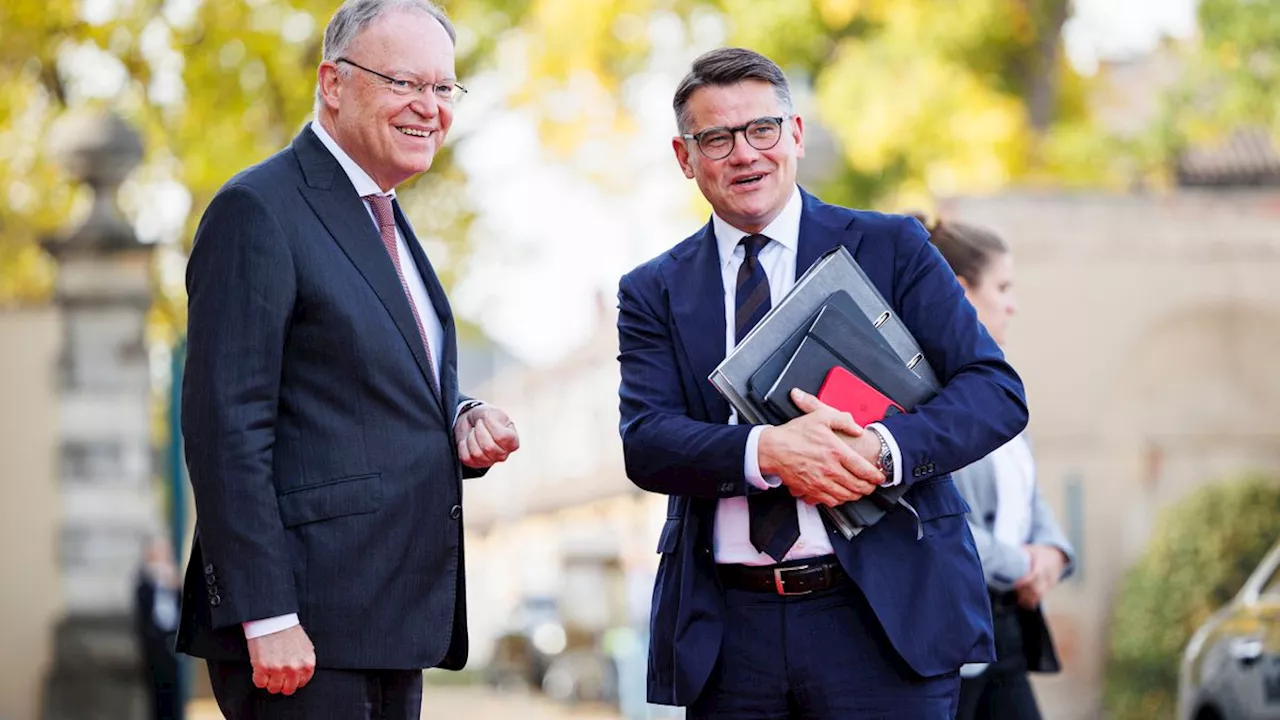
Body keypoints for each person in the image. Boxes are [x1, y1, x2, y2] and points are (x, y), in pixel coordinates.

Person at [615, 47, 1029, 719]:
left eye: (762, 129)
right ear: (684, 157)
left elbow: (994, 392)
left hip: (883, 623)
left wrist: (880, 451)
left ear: (796, 134)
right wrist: (767, 453)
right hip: (730, 635)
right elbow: (648, 442)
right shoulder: (653, 290)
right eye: (716, 138)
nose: (745, 153)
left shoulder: (891, 247)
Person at [175, 1, 520, 717]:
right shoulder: (258, 210)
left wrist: (460, 416)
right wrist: (265, 615)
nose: (429, 108)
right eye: (405, 84)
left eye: (442, 89)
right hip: (303, 631)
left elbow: (364, 385)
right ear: (333, 84)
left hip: (390, 623)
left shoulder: (383, 216)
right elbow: (225, 428)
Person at [921, 217, 1076, 720]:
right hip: (951, 638)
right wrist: (1025, 565)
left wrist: (1053, 551)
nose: (1013, 304)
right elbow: (945, 523)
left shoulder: (995, 387)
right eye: (1003, 288)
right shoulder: (926, 398)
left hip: (1007, 629)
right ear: (962, 293)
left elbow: (1028, 494)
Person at [134, 536, 183, 720]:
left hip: (172, 642)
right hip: (154, 644)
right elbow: (142, 613)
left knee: (174, 692)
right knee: (155, 694)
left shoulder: (174, 578)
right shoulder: (145, 580)